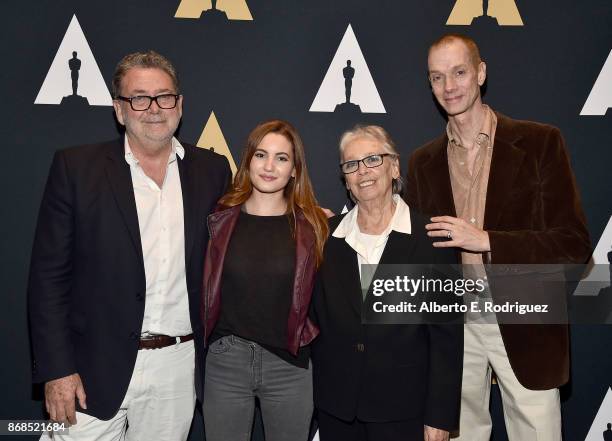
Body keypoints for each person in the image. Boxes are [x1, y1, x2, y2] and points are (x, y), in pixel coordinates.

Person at [28, 50, 231, 440]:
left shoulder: (212, 170)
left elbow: (248, 226)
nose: (154, 108)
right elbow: (47, 279)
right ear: (119, 109)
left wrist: (306, 215)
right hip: (89, 368)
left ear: (180, 104)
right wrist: (56, 370)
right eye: (139, 97)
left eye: (164, 96)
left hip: (177, 366)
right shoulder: (77, 169)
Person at [406, 34, 591, 440]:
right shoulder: (422, 162)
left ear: (481, 73)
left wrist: (488, 240)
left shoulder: (541, 142)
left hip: (526, 319)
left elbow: (573, 244)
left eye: (458, 73)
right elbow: (412, 251)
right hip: (455, 324)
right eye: (437, 78)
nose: (449, 87)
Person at [311, 125, 463, 441]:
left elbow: (446, 339)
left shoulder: (431, 239)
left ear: (394, 167)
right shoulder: (325, 236)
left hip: (405, 413)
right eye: (351, 164)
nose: (362, 171)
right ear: (345, 179)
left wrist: (440, 416)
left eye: (372, 159)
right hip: (338, 410)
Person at [201, 119, 329, 441]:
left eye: (281, 158)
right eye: (261, 155)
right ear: (248, 161)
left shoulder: (315, 227)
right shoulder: (219, 219)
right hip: (226, 361)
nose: (269, 166)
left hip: (289, 365)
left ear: (295, 170)